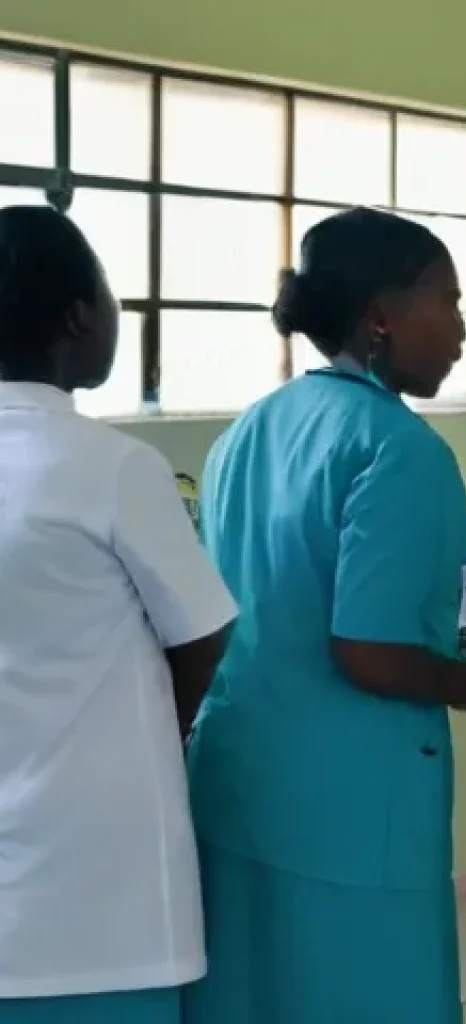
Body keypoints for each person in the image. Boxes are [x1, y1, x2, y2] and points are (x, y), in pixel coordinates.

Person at [184, 207, 466, 1024]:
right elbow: (370, 649)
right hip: (350, 815)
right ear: (381, 316)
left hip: (237, 787)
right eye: (447, 300)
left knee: (250, 999)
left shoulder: (251, 428)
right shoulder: (398, 448)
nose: (461, 327)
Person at [0, 205, 237, 1023]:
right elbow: (204, 635)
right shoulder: (114, 468)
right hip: (97, 885)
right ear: (77, 317)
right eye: (108, 294)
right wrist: (151, 733)